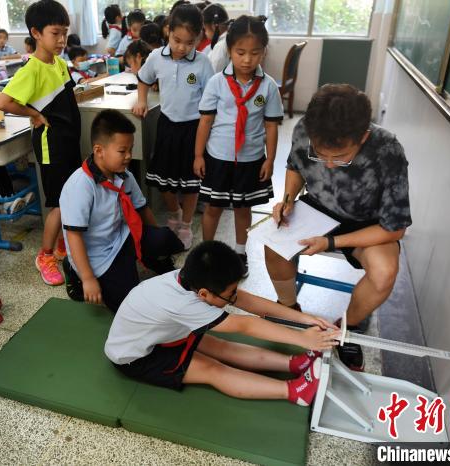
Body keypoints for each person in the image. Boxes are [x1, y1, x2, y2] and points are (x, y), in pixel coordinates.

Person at [265, 83, 412, 371]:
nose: (329, 166)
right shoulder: (307, 129)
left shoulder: (388, 149)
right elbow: (296, 166)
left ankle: (347, 327)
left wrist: (331, 243)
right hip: (318, 208)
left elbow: (395, 229)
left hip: (368, 222)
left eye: (341, 157)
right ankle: (289, 309)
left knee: (384, 273)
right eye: (322, 155)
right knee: (274, 243)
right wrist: (287, 200)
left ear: (363, 136)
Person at [105, 240, 340, 404]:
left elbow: (250, 303)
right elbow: (245, 325)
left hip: (160, 335)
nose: (234, 297)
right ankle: (296, 391)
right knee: (212, 369)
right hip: (135, 357)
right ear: (205, 294)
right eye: (230, 294)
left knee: (219, 346)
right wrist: (301, 338)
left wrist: (304, 318)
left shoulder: (189, 280)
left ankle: (294, 364)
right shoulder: (185, 304)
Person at [60, 109, 183, 312]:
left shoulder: (124, 175)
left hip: (121, 237)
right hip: (97, 255)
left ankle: (152, 261)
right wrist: (89, 278)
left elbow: (142, 209)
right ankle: (75, 271)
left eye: (130, 149)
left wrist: (154, 244)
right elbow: (74, 236)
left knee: (165, 239)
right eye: (122, 151)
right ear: (99, 150)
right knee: (130, 305)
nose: (128, 157)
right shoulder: (81, 186)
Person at [0, 0, 81, 286]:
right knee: (58, 202)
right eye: (55, 33)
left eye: (64, 33)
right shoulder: (31, 69)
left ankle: (60, 245)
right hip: (51, 144)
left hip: (67, 141)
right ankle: (44, 255)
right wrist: (33, 112)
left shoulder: (58, 62)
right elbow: (2, 101)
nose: (61, 40)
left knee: (70, 197)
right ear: (36, 32)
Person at [195, 16, 283, 272]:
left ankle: (240, 253)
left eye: (255, 53)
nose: (247, 60)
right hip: (218, 157)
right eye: (240, 52)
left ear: (263, 52)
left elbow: (271, 126)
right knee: (213, 207)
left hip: (251, 159)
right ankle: (206, 252)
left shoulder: (267, 87)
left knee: (243, 208)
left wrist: (270, 158)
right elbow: (205, 122)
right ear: (229, 50)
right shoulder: (217, 82)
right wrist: (198, 155)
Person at [133, 4, 214, 251]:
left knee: (191, 182)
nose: (181, 47)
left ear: (198, 38)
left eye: (189, 43)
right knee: (164, 180)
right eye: (176, 39)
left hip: (193, 129)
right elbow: (144, 79)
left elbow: (211, 99)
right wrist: (142, 100)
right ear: (168, 31)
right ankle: (174, 214)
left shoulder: (203, 63)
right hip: (167, 126)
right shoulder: (157, 56)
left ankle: (187, 224)